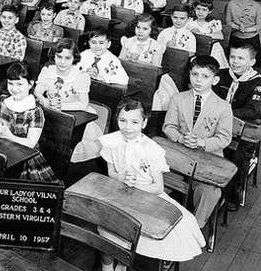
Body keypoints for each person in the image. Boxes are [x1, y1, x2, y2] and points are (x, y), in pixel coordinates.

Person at [99, 98, 205, 271]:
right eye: (122, 121)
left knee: (158, 231)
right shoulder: (111, 141)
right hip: (118, 191)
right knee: (105, 224)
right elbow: (111, 172)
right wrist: (120, 178)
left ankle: (124, 264)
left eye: (134, 122)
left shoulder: (152, 150)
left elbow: (158, 187)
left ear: (144, 122)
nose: (127, 127)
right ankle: (108, 265)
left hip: (147, 195)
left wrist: (135, 186)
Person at [163, 56, 233, 228]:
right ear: (189, 75)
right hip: (178, 156)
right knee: (152, 177)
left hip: (207, 161)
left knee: (210, 192)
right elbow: (168, 126)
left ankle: (194, 228)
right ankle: (159, 219)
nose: (198, 80)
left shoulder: (223, 107)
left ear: (215, 80)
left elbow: (224, 138)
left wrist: (202, 142)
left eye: (205, 76)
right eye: (195, 74)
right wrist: (181, 138)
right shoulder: (178, 98)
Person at [34, 39, 104, 181]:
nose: (62, 62)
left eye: (67, 58)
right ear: (54, 56)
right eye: (59, 57)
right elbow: (38, 90)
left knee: (64, 148)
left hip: (74, 112)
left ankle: (61, 173)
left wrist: (60, 106)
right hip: (52, 111)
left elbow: (83, 104)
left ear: (74, 58)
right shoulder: (49, 70)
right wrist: (45, 100)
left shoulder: (80, 76)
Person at [0, 61, 59, 182]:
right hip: (3, 151)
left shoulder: (35, 111)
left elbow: (31, 144)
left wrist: (8, 136)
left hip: (26, 158)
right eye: (10, 84)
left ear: (30, 84)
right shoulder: (4, 102)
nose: (14, 89)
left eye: (19, 84)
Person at [214, 43, 261, 210]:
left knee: (236, 155)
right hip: (217, 124)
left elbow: (253, 111)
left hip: (245, 130)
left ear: (252, 61)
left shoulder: (257, 82)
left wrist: (225, 112)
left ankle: (232, 193)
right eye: (232, 57)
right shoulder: (222, 75)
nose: (235, 61)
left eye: (241, 58)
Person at [119, 14, 178, 111]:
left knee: (157, 99)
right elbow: (120, 60)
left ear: (152, 30)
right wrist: (129, 61)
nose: (140, 31)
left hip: (149, 78)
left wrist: (138, 62)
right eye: (138, 27)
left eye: (145, 29)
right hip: (129, 75)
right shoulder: (128, 41)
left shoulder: (156, 46)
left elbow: (155, 68)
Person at [226, 0, 261, 66]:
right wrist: (238, 27)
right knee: (234, 62)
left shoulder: (257, 6)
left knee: (253, 64)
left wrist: (246, 30)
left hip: (252, 39)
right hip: (236, 38)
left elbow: (259, 25)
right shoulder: (231, 4)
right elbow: (228, 22)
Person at [185, 0, 228, 68]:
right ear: (194, 9)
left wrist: (202, 34)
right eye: (198, 9)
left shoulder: (212, 22)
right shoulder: (190, 21)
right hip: (195, 47)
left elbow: (220, 36)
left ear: (209, 11)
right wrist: (191, 32)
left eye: (204, 10)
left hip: (210, 47)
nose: (200, 12)